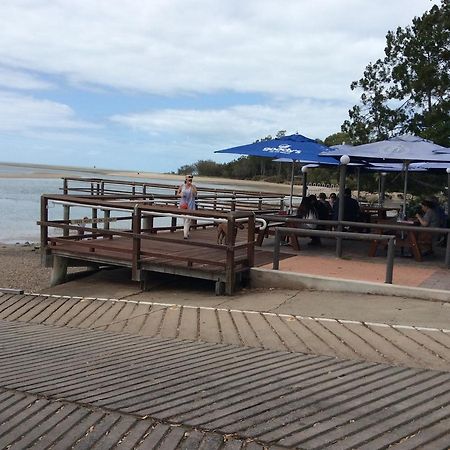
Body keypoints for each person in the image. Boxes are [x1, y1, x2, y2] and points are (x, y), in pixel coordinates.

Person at [177, 174, 197, 239]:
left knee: (188, 220)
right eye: (189, 177)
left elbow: (195, 194)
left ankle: (185, 235)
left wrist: (191, 185)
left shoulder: (193, 186)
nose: (190, 179)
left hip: (190, 205)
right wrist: (180, 195)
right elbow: (178, 193)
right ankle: (187, 232)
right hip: (183, 204)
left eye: (191, 178)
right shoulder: (182, 186)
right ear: (186, 179)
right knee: (184, 219)